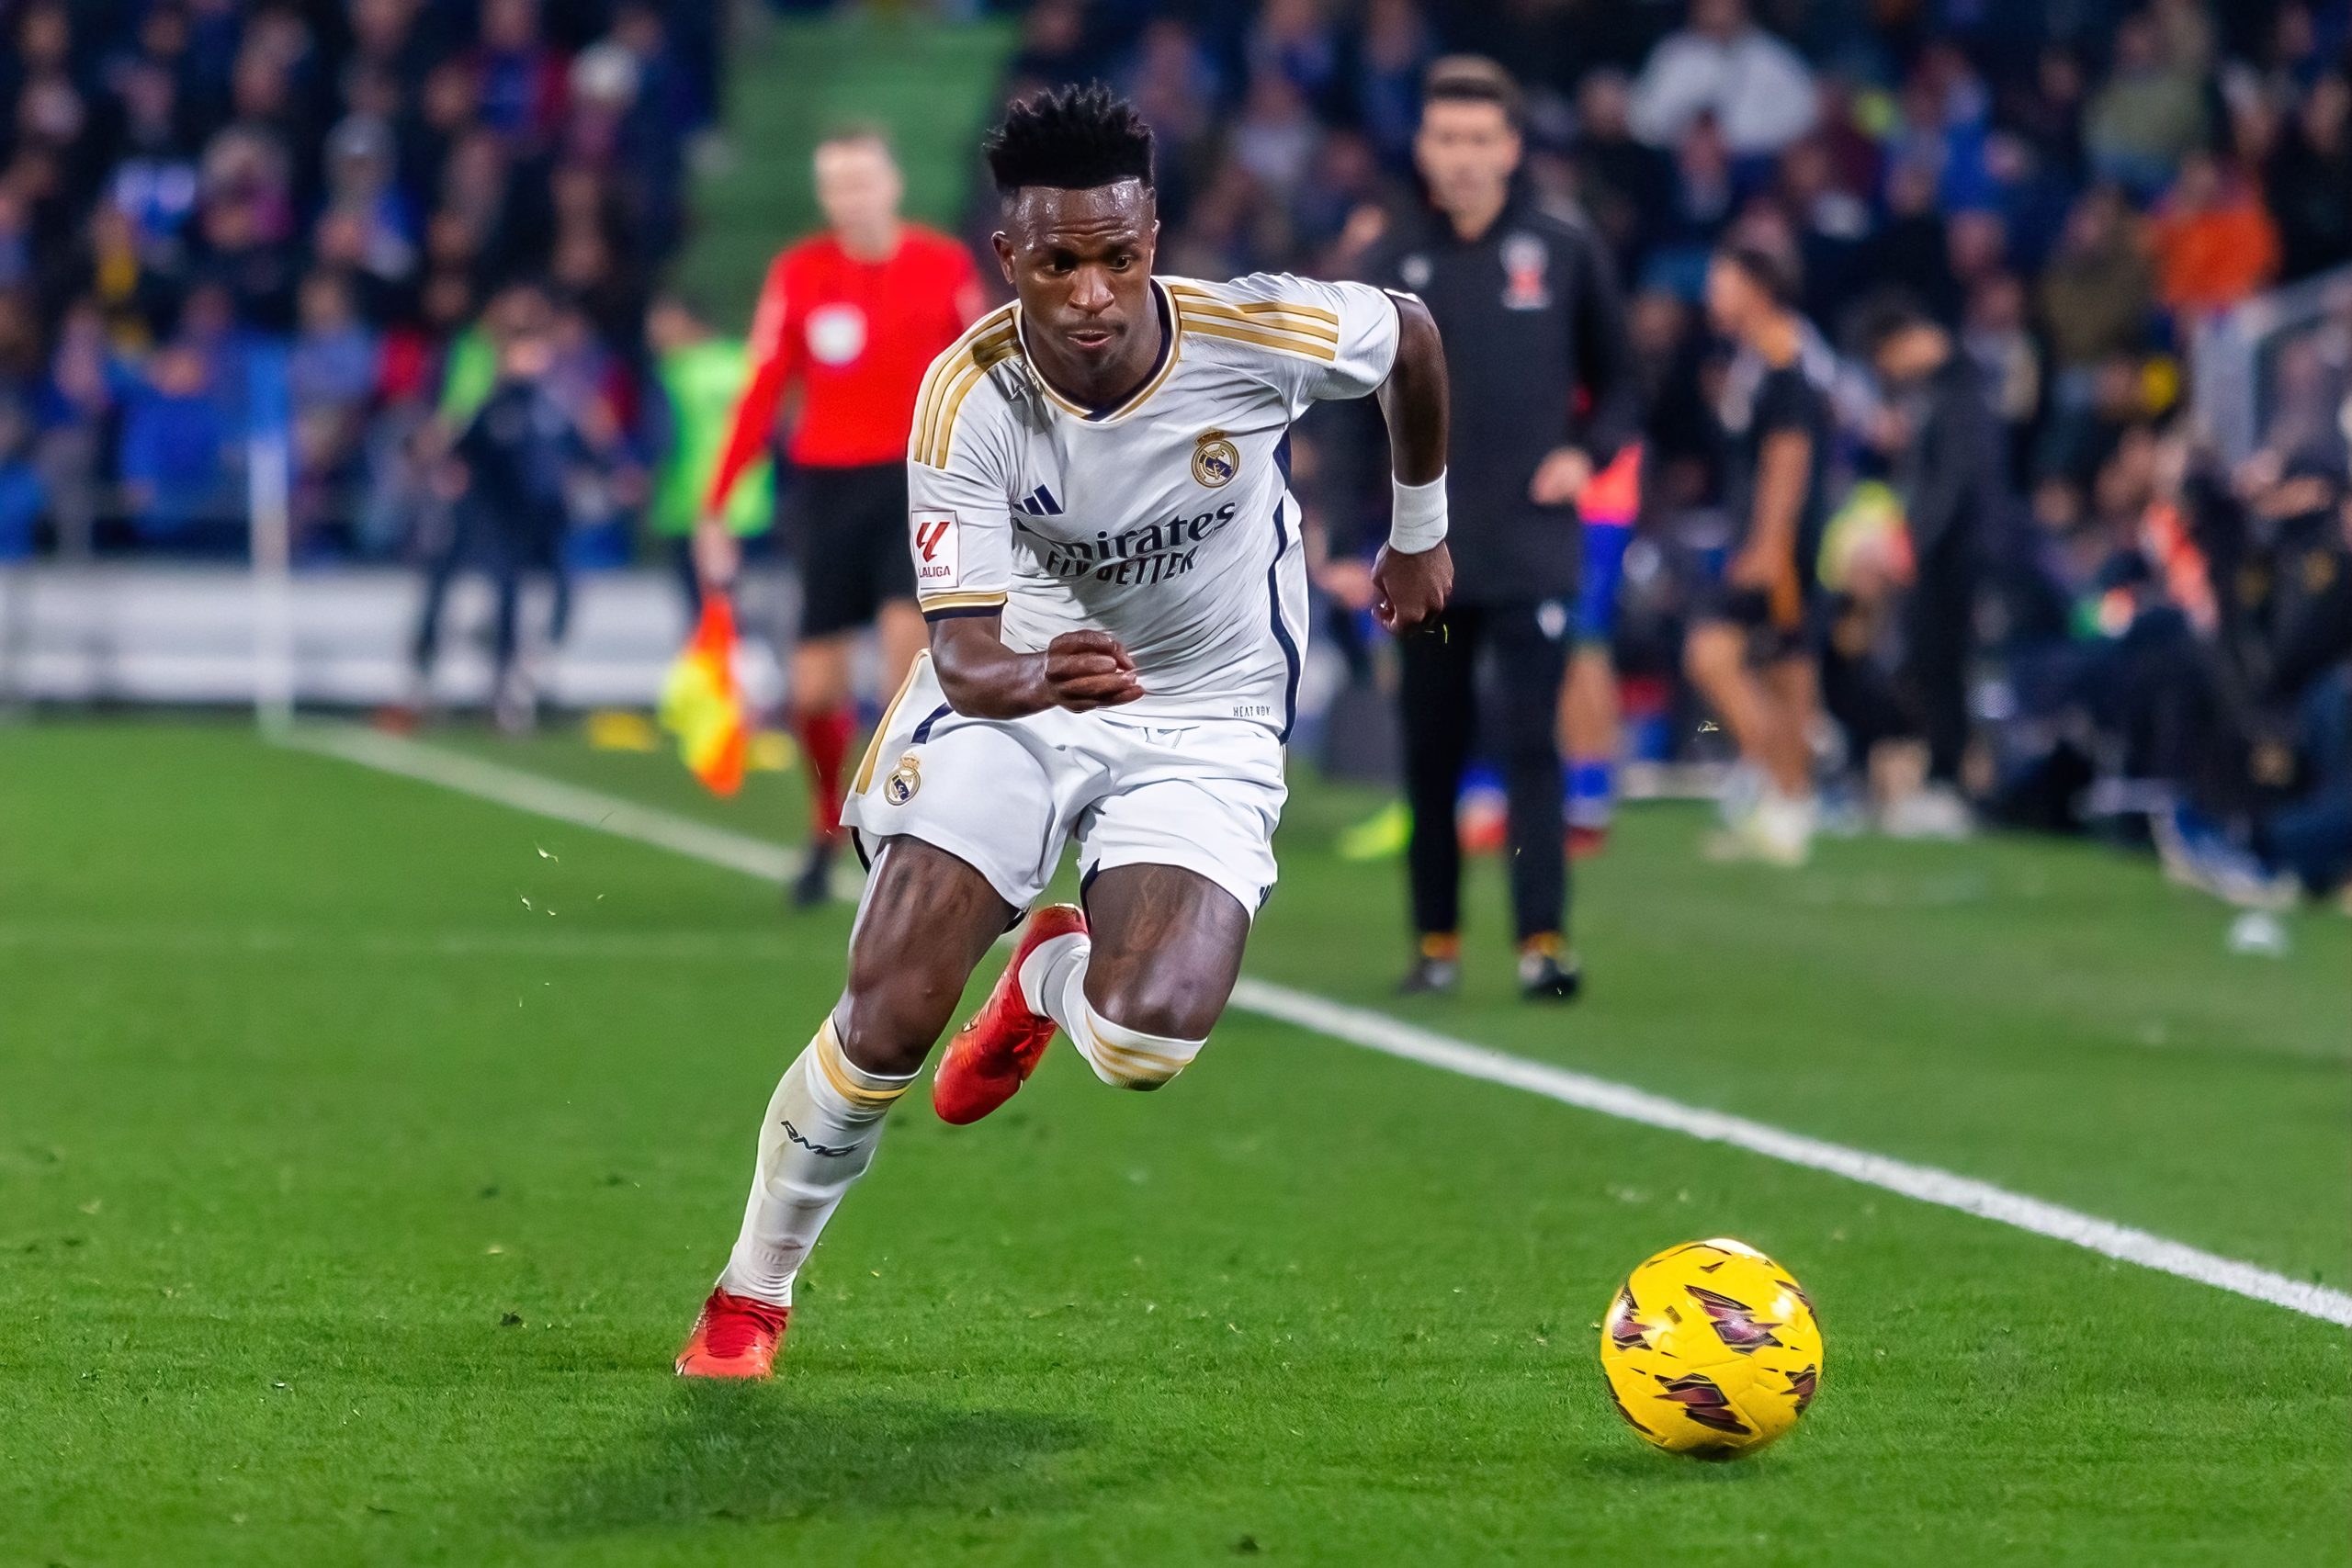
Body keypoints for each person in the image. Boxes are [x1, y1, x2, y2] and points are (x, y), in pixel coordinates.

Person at [673, 83, 1453, 1379]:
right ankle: (753, 1291)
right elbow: (962, 654)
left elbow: (1412, 336)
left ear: (1154, 237)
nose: (1091, 293)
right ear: (1008, 257)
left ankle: (1047, 976)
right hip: (1020, 692)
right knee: (892, 1007)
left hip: (1208, 705)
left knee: (1145, 1040)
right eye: (1057, 265)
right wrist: (1038, 672)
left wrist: (1419, 530)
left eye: (1118, 256)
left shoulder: (1258, 330)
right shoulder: (966, 396)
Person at [1356, 57, 1637, 998]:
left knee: (1530, 748)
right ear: (1423, 147)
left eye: (1481, 138)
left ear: (1512, 148)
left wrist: (1587, 453)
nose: (1464, 156)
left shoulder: (1563, 246)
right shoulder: (1390, 260)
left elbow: (1624, 382)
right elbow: (1346, 406)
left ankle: (1542, 942)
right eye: (1448, 138)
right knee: (1430, 753)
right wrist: (1347, 531)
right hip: (1421, 554)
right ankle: (1434, 946)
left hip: (1529, 544)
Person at [696, 127, 985, 907]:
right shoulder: (800, 273)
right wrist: (717, 503)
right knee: (814, 693)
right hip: (825, 493)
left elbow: (985, 377)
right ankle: (826, 820)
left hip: (914, 488)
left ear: (891, 184)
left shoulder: (943, 266)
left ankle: (910, 838)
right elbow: (764, 386)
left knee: (905, 674)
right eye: (837, 184)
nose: (851, 197)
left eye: (862, 180)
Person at [1687, 243, 1830, 865]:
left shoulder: (1782, 357)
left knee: (1710, 654)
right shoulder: (1752, 358)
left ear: (1757, 288)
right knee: (1784, 671)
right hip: (1773, 536)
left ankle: (1768, 778)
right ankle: (1789, 809)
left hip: (1779, 542)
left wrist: (1769, 544)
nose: (1711, 294)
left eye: (1722, 281)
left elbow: (1788, 454)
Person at [1861, 293, 2005, 837]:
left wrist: (1914, 547)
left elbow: (1957, 484)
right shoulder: (1939, 390)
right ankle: (1942, 777)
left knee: (1947, 668)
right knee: (1930, 667)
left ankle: (1952, 784)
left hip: (1959, 557)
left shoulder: (1962, 386)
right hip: (1941, 555)